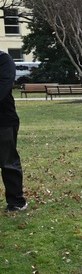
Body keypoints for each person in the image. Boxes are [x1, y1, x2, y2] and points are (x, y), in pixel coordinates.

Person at [0, 49, 26, 212]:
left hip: (3, 121)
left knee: (8, 162)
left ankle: (16, 202)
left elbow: (3, 88)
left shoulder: (3, 60)